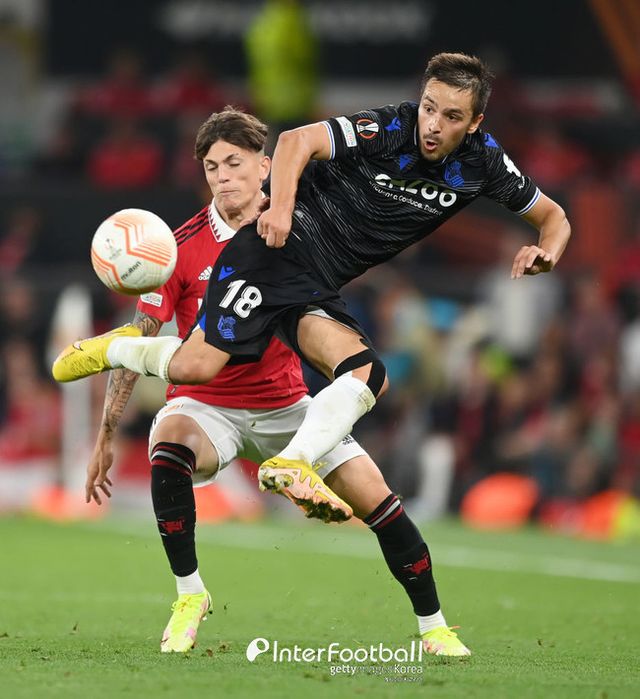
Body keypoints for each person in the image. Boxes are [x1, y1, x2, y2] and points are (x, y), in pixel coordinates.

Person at [53, 52, 571, 529]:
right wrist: (280, 209)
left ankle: (292, 462)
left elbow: (555, 218)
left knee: (361, 374)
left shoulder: (486, 163)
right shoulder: (391, 126)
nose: (433, 124)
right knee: (200, 367)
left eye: (451, 116)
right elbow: (296, 140)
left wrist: (546, 251)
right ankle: (121, 353)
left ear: (475, 122)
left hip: (317, 284)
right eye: (429, 107)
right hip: (280, 253)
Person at [84, 107, 470, 656]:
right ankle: (190, 595)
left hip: (287, 406)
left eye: (234, 163)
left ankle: (435, 628)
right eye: (212, 167)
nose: (223, 177)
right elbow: (139, 336)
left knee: (380, 502)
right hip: (206, 406)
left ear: (264, 166)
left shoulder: (298, 227)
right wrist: (105, 434)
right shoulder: (174, 249)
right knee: (169, 445)